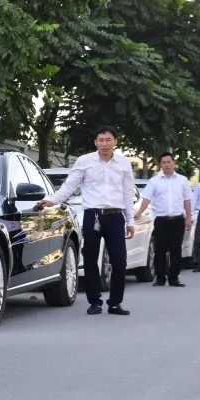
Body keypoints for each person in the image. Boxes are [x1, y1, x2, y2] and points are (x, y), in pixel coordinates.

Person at [38, 126, 135, 316]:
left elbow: (127, 194)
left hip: (115, 216)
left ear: (115, 142)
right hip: (93, 215)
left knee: (119, 260)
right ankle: (95, 301)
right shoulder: (85, 162)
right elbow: (69, 186)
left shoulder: (124, 164)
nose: (104, 144)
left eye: (108, 140)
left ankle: (115, 302)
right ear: (95, 142)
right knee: (90, 258)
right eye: (101, 140)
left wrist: (130, 220)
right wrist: (52, 200)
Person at [134, 153, 192, 287]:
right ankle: (160, 277)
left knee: (176, 250)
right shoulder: (154, 181)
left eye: (168, 162)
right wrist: (139, 213)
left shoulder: (182, 180)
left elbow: (187, 200)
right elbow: (146, 198)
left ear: (174, 163)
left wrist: (189, 218)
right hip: (161, 220)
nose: (166, 165)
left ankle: (174, 278)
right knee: (160, 250)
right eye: (163, 162)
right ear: (161, 164)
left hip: (177, 220)